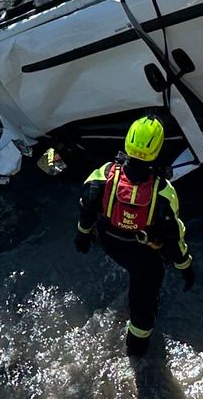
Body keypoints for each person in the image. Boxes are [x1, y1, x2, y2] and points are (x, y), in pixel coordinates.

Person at [76, 116, 196, 356]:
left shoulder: (103, 174)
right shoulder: (163, 191)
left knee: (134, 274)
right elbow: (174, 236)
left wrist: (82, 236)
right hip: (143, 255)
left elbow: (86, 207)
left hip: (110, 243)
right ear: (157, 150)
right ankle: (137, 356)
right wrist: (185, 267)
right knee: (143, 310)